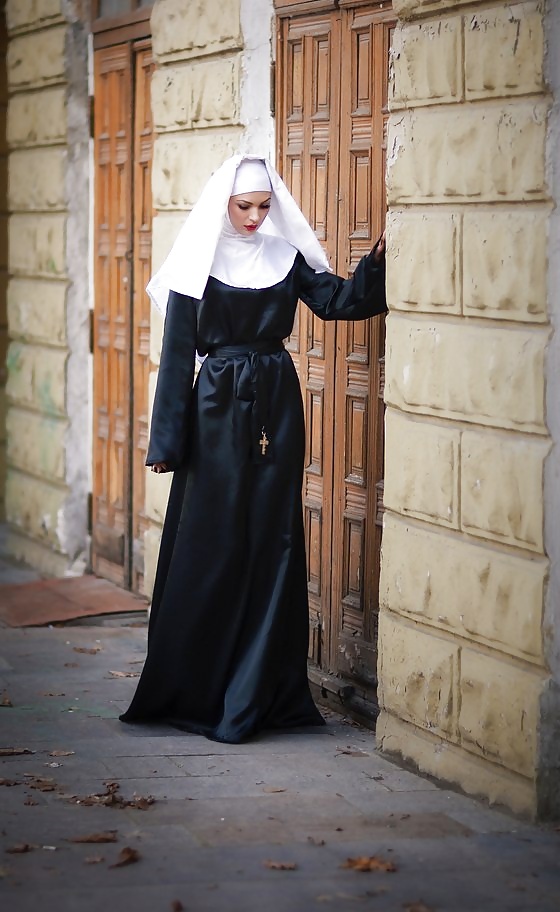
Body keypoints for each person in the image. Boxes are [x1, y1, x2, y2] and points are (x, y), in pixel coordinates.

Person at [119, 154, 387, 744]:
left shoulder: (283, 255)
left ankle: (259, 687)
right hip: (216, 403)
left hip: (276, 401)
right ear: (224, 204)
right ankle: (202, 683)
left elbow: (340, 303)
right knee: (213, 536)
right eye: (245, 206)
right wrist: (167, 441)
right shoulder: (199, 263)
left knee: (274, 536)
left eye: (265, 207)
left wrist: (378, 265)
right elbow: (177, 356)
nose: (254, 217)